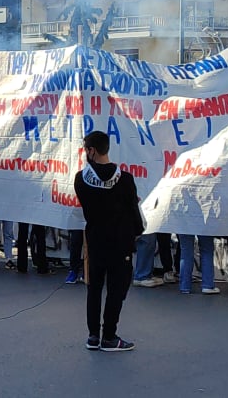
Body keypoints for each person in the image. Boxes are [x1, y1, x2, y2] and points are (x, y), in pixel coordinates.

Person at [73, 130, 144, 352]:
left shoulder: (80, 179)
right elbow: (133, 213)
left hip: (95, 240)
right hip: (120, 242)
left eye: (86, 149)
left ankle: (93, 335)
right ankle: (110, 336)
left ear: (92, 150)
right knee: (116, 290)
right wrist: (136, 230)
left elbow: (89, 206)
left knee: (94, 289)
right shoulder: (125, 179)